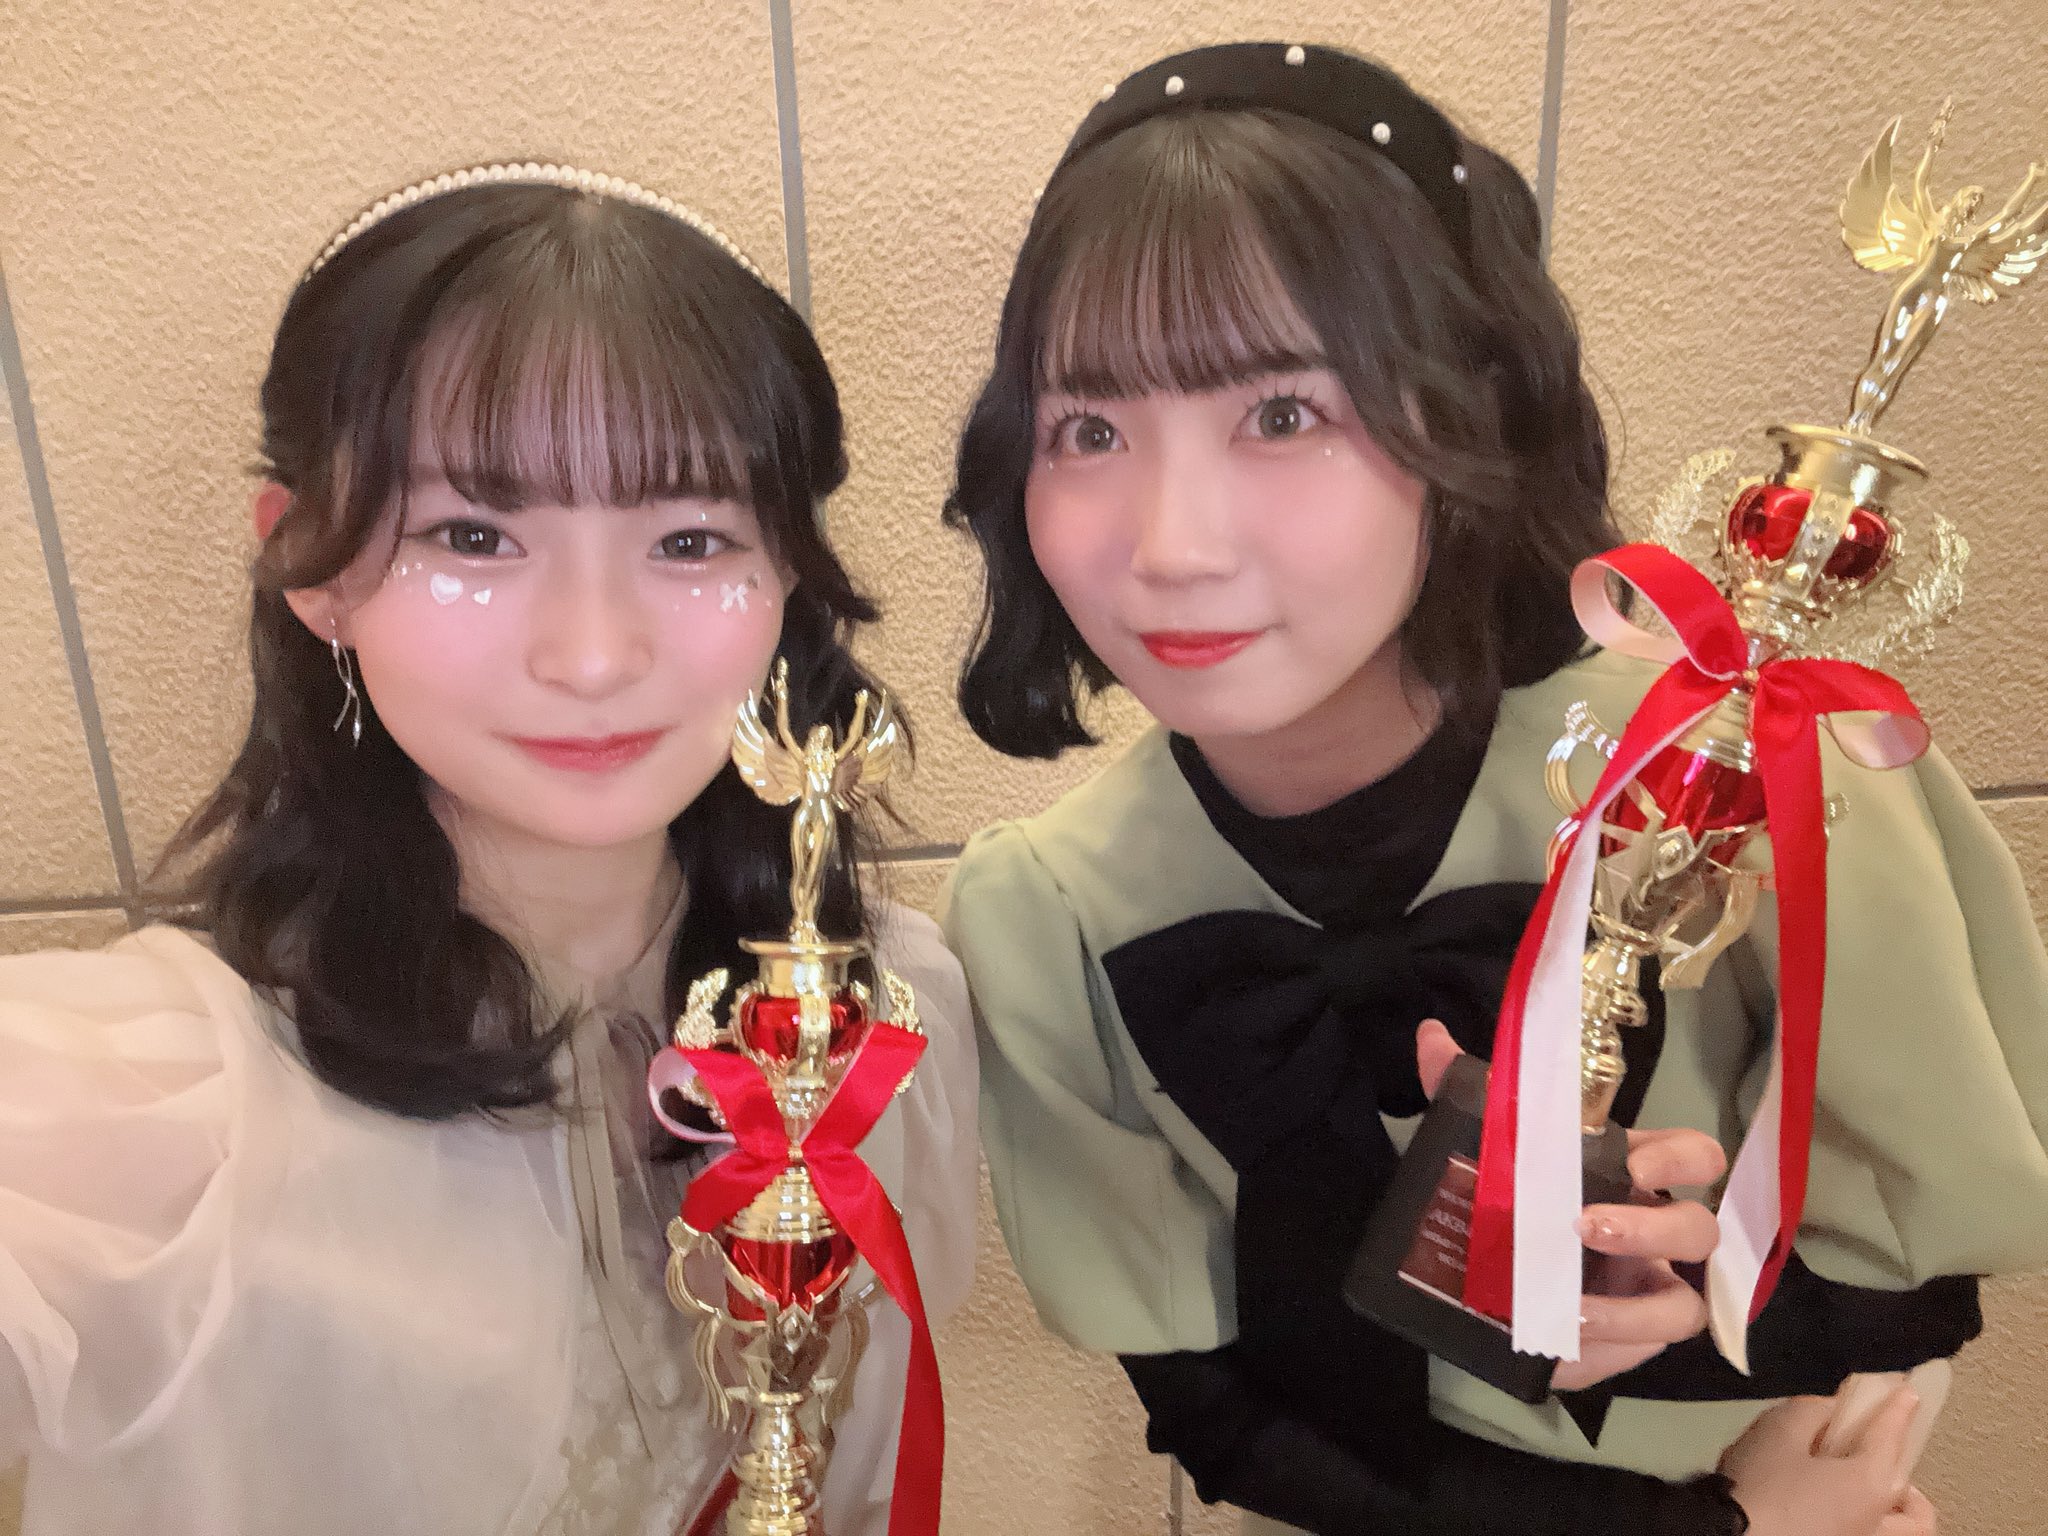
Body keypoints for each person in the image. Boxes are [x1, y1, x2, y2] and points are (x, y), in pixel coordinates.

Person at [942, 41, 2047, 1536]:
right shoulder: (1052, 913)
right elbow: (1213, 1418)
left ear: (1468, 415)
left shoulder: (1751, 759)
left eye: (1283, 414)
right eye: (1089, 430)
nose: (1171, 544)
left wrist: (1709, 1293)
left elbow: (1916, 1296)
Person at [0, 163, 977, 1536]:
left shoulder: (881, 1017)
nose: (593, 655)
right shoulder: (155, 1108)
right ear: (310, 565)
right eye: (474, 535)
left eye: (689, 538)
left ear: (788, 573)